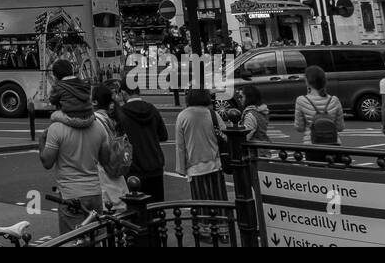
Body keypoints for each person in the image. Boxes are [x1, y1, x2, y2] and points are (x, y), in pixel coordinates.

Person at [38, 78, 112, 234]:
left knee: (73, 240)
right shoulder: (98, 126)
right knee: (96, 239)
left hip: (70, 195)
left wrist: (41, 141)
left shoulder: (56, 129)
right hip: (95, 193)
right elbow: (106, 160)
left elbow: (47, 162)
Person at [174, 88, 228, 240]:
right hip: (215, 163)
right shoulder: (213, 114)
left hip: (195, 166)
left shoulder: (183, 116)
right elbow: (225, 135)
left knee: (201, 201)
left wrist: (181, 169)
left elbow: (180, 145)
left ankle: (206, 233)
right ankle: (223, 232)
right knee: (219, 200)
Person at [114, 80, 167, 202]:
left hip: (134, 168)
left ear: (123, 93)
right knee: (157, 208)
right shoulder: (152, 110)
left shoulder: (121, 113)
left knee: (136, 209)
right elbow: (163, 135)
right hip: (155, 165)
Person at [294, 65, 343, 155]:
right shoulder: (334, 100)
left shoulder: (301, 100)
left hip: (312, 145)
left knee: (314, 168)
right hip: (333, 144)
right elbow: (340, 127)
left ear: (308, 82)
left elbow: (299, 128)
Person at [236, 83, 271, 151]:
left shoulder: (250, 114)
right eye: (238, 97)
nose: (239, 99)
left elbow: (246, 136)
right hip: (263, 149)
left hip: (254, 153)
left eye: (241, 97)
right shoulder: (260, 110)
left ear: (249, 97)